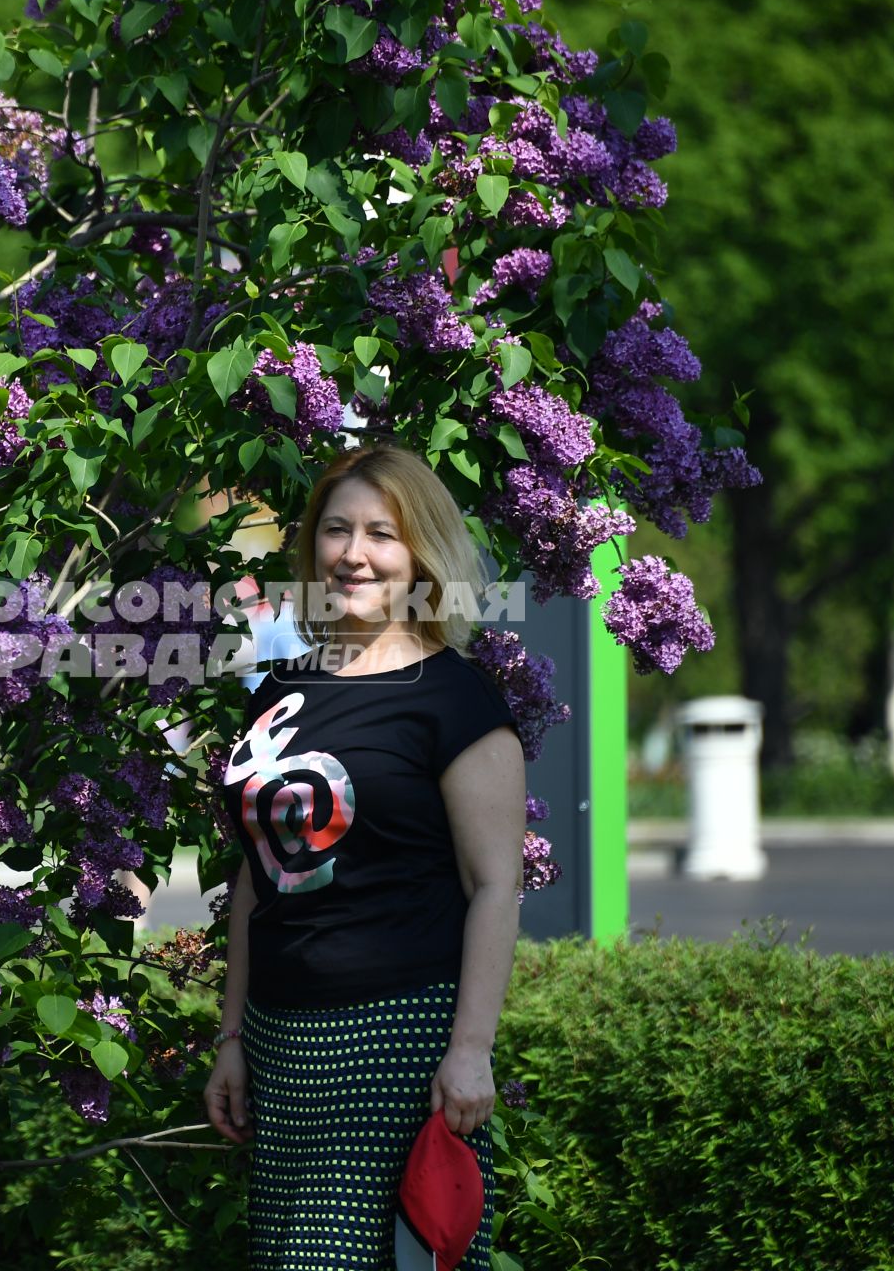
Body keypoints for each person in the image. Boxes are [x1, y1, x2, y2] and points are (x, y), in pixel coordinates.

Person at [204, 442, 526, 1270]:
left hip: (393, 1049)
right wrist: (232, 1036)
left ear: (421, 554)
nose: (354, 554)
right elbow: (256, 877)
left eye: (381, 534)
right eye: (337, 530)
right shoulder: (282, 691)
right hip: (281, 1045)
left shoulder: (454, 699)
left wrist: (470, 1049)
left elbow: (495, 886)